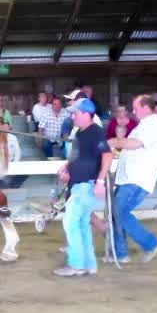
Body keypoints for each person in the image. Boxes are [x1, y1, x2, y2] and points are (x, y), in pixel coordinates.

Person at [55, 98, 111, 278]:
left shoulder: (96, 132)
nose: (72, 117)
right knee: (81, 225)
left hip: (86, 186)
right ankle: (89, 264)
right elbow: (78, 157)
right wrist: (67, 167)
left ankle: (76, 265)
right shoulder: (80, 133)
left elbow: (107, 156)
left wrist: (100, 181)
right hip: (80, 185)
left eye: (75, 113)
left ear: (87, 114)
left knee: (71, 223)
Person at [106, 95, 157, 264]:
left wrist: (113, 141)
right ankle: (120, 253)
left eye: (136, 107)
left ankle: (150, 243)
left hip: (137, 179)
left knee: (118, 212)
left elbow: (135, 144)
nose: (133, 111)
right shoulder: (145, 125)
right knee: (116, 213)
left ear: (146, 108)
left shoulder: (152, 125)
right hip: (129, 179)